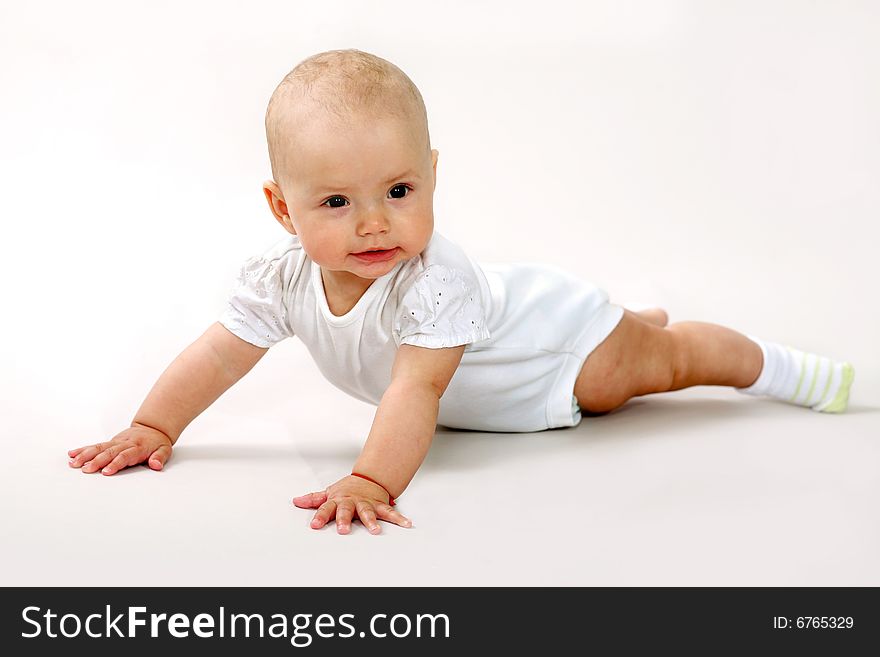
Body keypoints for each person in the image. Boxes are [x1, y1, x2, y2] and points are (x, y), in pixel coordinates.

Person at [67, 49, 855, 535]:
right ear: (283, 208)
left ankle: (773, 367)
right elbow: (218, 354)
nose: (374, 223)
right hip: (499, 386)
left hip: (552, 346)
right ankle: (634, 320)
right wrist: (152, 423)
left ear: (432, 175)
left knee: (651, 367)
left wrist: (373, 479)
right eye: (336, 203)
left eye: (400, 189)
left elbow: (416, 387)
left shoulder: (434, 279)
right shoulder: (280, 277)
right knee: (631, 353)